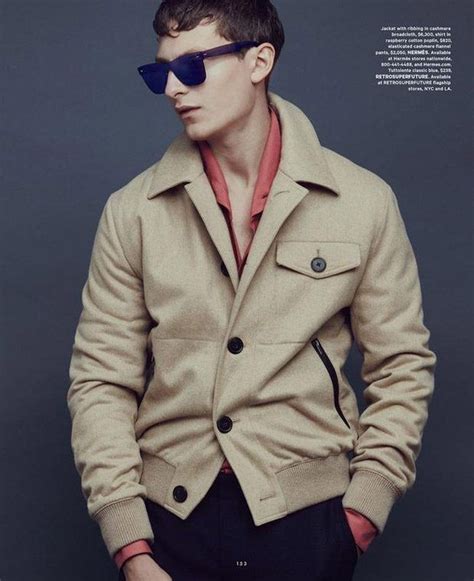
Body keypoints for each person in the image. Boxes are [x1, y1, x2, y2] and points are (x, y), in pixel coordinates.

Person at [66, 1, 437, 580]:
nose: (173, 88)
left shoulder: (363, 201)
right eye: (160, 72)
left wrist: (363, 511)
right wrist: (129, 543)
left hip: (310, 520)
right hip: (169, 521)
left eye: (192, 67)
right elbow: (101, 379)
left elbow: (402, 366)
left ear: (260, 60)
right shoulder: (132, 211)